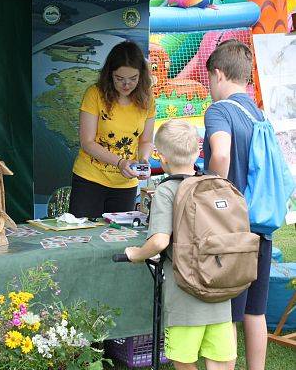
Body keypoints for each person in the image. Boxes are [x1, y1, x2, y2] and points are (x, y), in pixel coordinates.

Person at [125, 119, 236, 370]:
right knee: (220, 357)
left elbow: (160, 240)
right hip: (220, 286)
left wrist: (137, 254)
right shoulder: (214, 184)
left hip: (185, 291)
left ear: (161, 158)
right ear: (198, 151)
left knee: (184, 358)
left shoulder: (166, 191)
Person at [204, 39, 270, 370]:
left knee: (226, 312)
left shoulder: (220, 110)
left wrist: (209, 191)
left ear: (218, 74)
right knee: (254, 311)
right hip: (262, 223)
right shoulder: (259, 112)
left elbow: (221, 154)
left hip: (231, 227)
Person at [68, 41, 155, 218]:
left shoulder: (148, 99)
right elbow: (87, 142)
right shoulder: (94, 94)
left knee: (118, 239)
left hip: (125, 184)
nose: (126, 85)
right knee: (84, 236)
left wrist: (144, 161)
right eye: (119, 78)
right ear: (109, 74)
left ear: (142, 76)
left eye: (133, 78)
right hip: (90, 179)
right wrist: (120, 162)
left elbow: (146, 140)